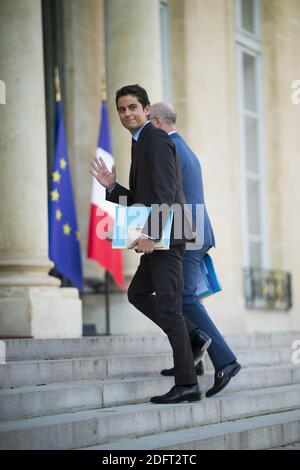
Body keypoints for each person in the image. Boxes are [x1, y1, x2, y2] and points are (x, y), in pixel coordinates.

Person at [90, 84, 211, 404]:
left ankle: (188, 384)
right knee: (138, 293)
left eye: (133, 107)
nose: (127, 113)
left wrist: (150, 235)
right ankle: (194, 336)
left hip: (166, 238)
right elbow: (143, 199)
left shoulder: (154, 138)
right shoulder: (139, 142)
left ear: (146, 110)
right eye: (121, 109)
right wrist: (112, 188)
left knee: (168, 307)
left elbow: (167, 193)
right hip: (159, 236)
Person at [149, 102, 241, 397]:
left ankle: (226, 361)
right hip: (196, 231)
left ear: (160, 122)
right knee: (182, 296)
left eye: (150, 121)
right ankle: (194, 360)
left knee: (185, 298)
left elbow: (166, 195)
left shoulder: (170, 148)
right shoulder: (184, 147)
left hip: (189, 233)